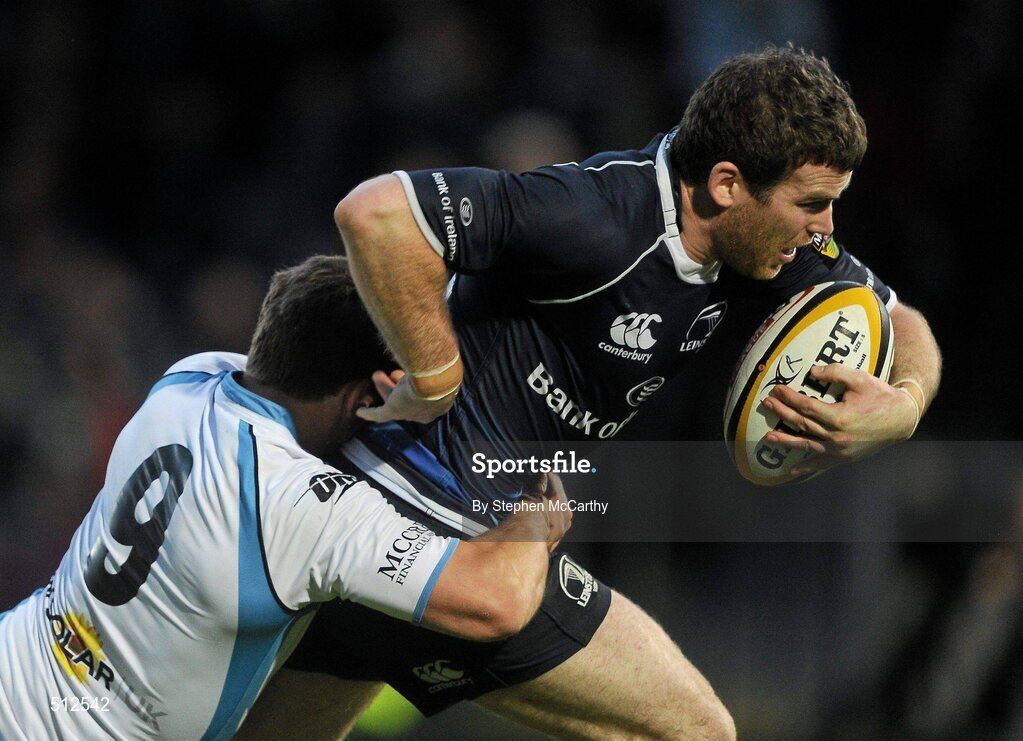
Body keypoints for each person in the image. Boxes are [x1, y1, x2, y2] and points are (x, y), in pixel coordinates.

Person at [258, 45, 942, 739]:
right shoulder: (597, 216)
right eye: (812, 205)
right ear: (728, 183)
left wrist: (903, 403)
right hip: (446, 524)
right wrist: (436, 377)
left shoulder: (757, 241)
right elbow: (376, 215)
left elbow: (893, 317)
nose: (824, 228)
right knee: (695, 730)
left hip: (395, 529)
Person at [0, 256, 571, 740]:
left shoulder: (189, 377)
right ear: (365, 394)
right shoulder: (303, 508)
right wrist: (535, 510)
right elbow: (498, 601)